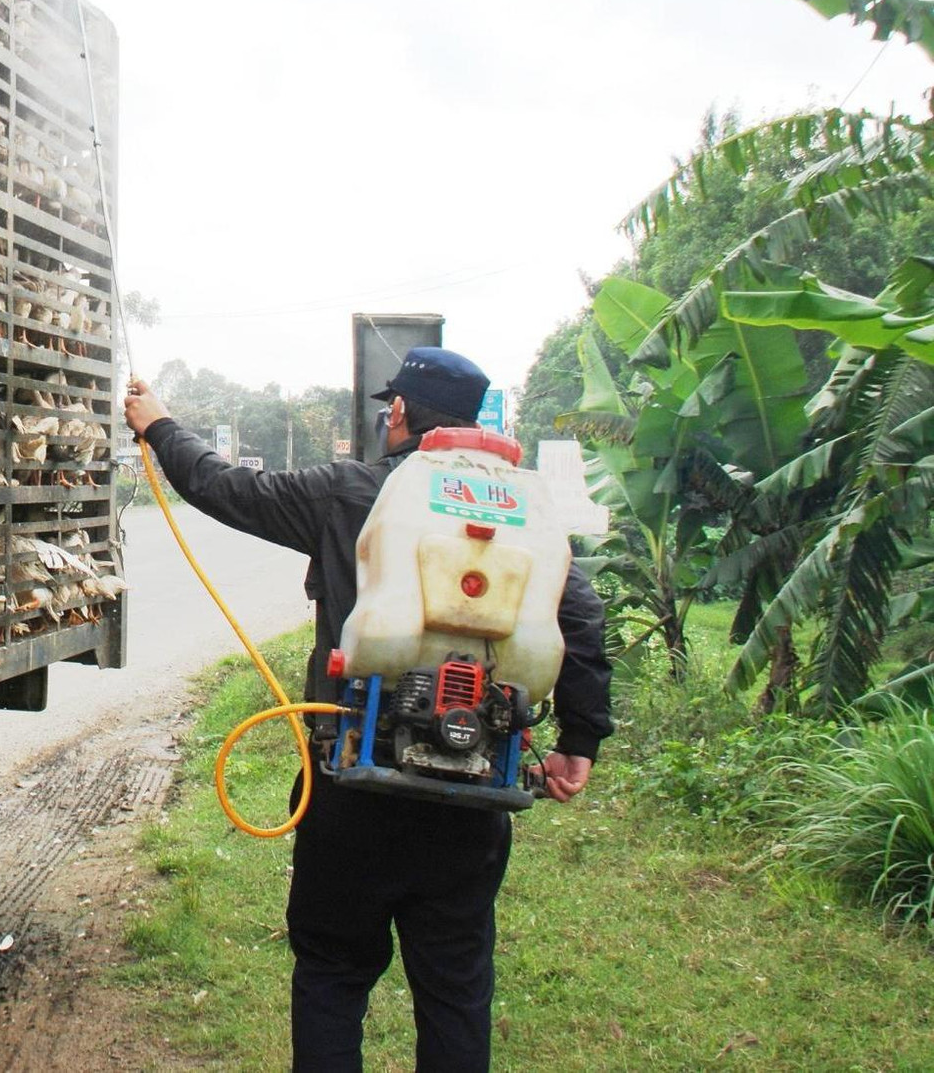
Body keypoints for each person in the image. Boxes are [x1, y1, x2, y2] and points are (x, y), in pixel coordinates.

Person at [124, 346, 613, 1073]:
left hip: (352, 783)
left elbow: (227, 487)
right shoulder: (521, 509)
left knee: (332, 971)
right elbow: (577, 619)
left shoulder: (352, 490)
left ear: (403, 415)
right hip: (472, 791)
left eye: (392, 408)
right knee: (453, 986)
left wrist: (159, 424)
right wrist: (580, 738)